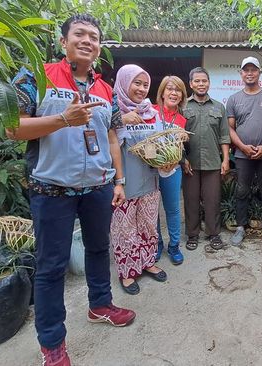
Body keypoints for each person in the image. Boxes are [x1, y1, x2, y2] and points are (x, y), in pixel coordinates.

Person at [9, 14, 135, 366]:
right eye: (79, 34)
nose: (87, 41)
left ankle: (100, 305)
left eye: (94, 37)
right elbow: (10, 128)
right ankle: (52, 344)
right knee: (51, 267)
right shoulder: (36, 76)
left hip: (97, 187)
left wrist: (119, 180)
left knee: (99, 249)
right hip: (51, 189)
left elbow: (111, 136)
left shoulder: (104, 89)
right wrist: (62, 119)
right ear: (63, 41)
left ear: (98, 47)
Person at [111, 64, 171, 295]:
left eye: (145, 84)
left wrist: (165, 160)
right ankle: (127, 272)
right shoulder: (112, 110)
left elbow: (158, 144)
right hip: (124, 180)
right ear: (125, 83)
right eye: (137, 83)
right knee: (124, 229)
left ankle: (147, 262)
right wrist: (122, 120)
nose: (142, 89)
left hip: (149, 177)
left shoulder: (152, 112)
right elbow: (104, 141)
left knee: (148, 224)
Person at [226, 56, 262, 247]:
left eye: (253, 70)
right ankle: (241, 227)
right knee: (242, 190)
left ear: (259, 72)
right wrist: (242, 147)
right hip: (243, 155)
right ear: (241, 74)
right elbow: (230, 128)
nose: (249, 73)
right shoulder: (234, 99)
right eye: (246, 70)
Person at [182, 67, 231, 250]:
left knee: (212, 200)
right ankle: (193, 234)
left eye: (204, 81)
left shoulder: (219, 107)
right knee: (191, 199)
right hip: (190, 163)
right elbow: (177, 137)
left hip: (212, 162)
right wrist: (182, 159)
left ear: (209, 83)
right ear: (191, 84)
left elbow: (224, 136)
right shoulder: (184, 106)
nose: (201, 84)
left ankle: (213, 233)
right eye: (197, 81)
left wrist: (225, 160)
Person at [152, 76, 188, 264]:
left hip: (172, 170)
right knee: (152, 211)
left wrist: (176, 160)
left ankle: (173, 246)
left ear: (182, 95)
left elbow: (178, 148)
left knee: (173, 210)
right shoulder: (150, 111)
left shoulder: (182, 120)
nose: (173, 93)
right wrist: (153, 160)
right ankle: (156, 244)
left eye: (178, 90)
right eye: (170, 89)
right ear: (162, 92)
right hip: (149, 170)